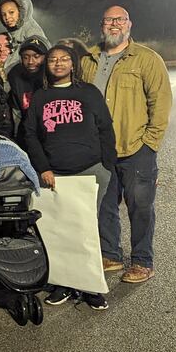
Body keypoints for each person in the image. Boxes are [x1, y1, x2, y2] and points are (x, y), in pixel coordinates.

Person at [81, 5, 172, 283]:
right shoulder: (88, 59)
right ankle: (111, 254)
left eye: (119, 19)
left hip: (135, 148)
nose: (114, 24)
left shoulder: (146, 59)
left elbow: (161, 103)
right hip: (99, 150)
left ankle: (143, 260)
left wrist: (150, 143)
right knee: (105, 205)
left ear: (129, 24)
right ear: (102, 25)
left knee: (140, 206)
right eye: (108, 20)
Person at [23, 45, 116, 309]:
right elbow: (30, 134)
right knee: (60, 232)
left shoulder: (88, 92)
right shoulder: (40, 96)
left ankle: (90, 287)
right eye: (53, 60)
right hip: (56, 174)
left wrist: (106, 164)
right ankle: (63, 283)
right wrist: (43, 168)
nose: (59, 63)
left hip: (90, 170)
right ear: (47, 65)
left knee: (88, 231)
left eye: (64, 59)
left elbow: (105, 127)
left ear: (73, 64)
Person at [0, 0, 49, 72]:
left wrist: (3, 73)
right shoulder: (12, 32)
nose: (7, 17)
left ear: (21, 11)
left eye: (11, 12)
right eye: (3, 14)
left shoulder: (32, 31)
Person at [7, 36, 48, 137]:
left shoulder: (52, 74)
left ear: (45, 57)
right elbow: (16, 111)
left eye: (36, 56)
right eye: (26, 57)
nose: (30, 61)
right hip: (27, 130)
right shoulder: (15, 75)